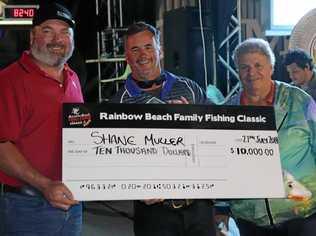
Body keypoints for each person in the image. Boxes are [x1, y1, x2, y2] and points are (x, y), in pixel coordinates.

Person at [110, 22, 216, 236]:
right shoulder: (116, 104)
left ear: (160, 50)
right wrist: (135, 185)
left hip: (199, 207)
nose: (143, 55)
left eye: (148, 47)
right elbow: (113, 158)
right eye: (135, 49)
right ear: (126, 57)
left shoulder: (190, 88)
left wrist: (194, 122)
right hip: (154, 213)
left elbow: (217, 133)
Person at [0, 2, 83, 235]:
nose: (57, 40)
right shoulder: (9, 80)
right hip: (26, 208)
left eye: (65, 32)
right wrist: (45, 185)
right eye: (48, 31)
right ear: (32, 36)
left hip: (73, 203)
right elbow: (2, 146)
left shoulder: (73, 78)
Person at [226, 38, 316, 236]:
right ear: (237, 71)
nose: (252, 73)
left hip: (302, 215)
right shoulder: (227, 110)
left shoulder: (300, 100)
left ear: (271, 68)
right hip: (250, 219)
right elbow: (221, 164)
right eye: (244, 67)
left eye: (258, 65)